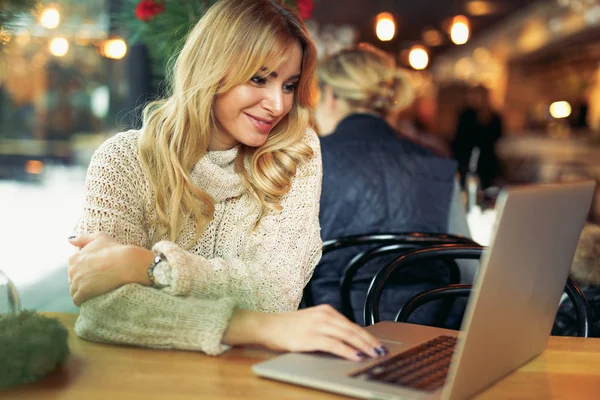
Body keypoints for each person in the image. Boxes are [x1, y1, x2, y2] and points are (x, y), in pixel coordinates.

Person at [66, 0, 386, 362]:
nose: (278, 105)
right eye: (259, 78)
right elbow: (103, 311)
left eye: (289, 85)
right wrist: (259, 327)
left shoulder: (295, 151)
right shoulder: (122, 160)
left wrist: (146, 266)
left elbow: (275, 292)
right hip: (145, 376)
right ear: (210, 69)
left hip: (247, 374)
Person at [311, 45, 472, 325]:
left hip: (330, 335)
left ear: (330, 96)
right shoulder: (437, 163)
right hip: (425, 338)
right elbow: (468, 267)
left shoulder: (310, 160)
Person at [452, 85, 503, 190]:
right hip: (468, 160)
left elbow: (497, 138)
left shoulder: (494, 117)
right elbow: (460, 139)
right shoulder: (466, 115)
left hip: (486, 162)